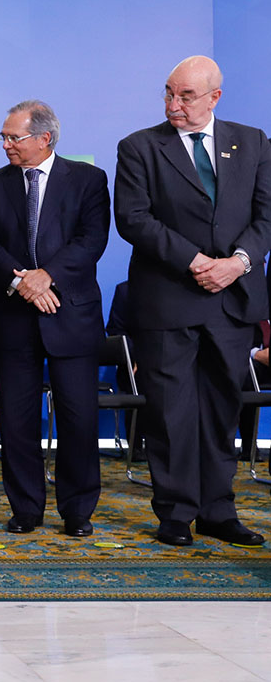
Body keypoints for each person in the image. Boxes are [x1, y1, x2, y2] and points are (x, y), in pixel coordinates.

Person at [114, 55, 271, 547]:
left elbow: (266, 216)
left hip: (232, 299)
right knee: (171, 413)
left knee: (223, 410)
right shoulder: (139, 146)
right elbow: (133, 219)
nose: (173, 104)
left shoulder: (252, 141)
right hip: (169, 300)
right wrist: (197, 262)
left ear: (214, 97)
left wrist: (237, 263)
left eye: (185, 96)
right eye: (168, 93)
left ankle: (218, 511)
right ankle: (176, 513)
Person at [0, 99, 110, 536]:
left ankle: (77, 511)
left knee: (78, 418)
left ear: (44, 138)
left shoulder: (88, 179)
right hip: (14, 317)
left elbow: (92, 240)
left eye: (13, 137)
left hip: (71, 315)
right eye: (3, 137)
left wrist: (47, 277)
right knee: (16, 420)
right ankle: (26, 508)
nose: (6, 145)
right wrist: (23, 284)